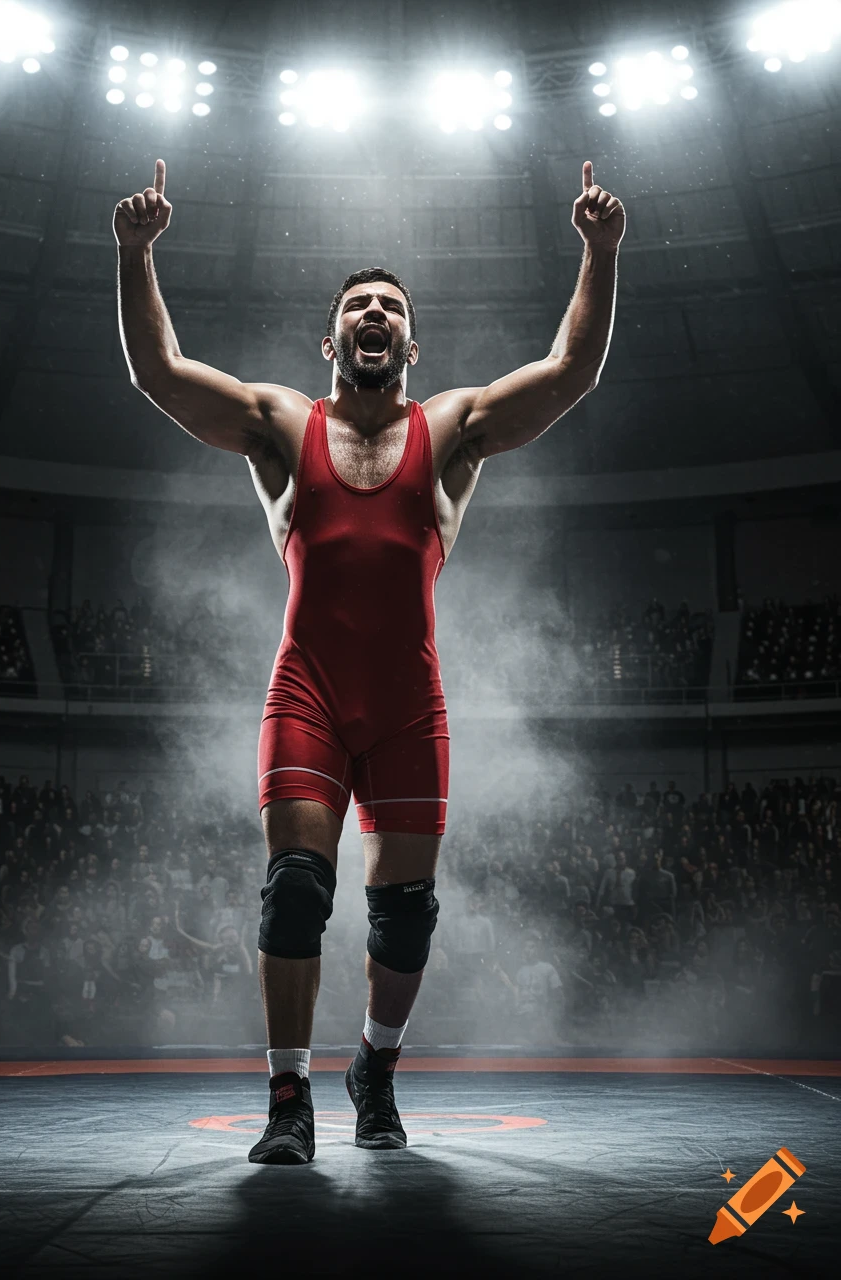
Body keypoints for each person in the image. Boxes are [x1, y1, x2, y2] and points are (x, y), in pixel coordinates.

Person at [114, 156, 624, 1164]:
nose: (375, 313)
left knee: (405, 916)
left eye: (390, 305)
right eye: (358, 305)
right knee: (296, 889)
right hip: (305, 695)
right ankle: (288, 1096)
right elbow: (158, 374)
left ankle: (374, 1070)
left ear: (411, 344)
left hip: (407, 708)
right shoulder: (278, 424)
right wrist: (134, 255)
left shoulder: (453, 428)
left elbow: (571, 372)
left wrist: (599, 253)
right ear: (332, 340)